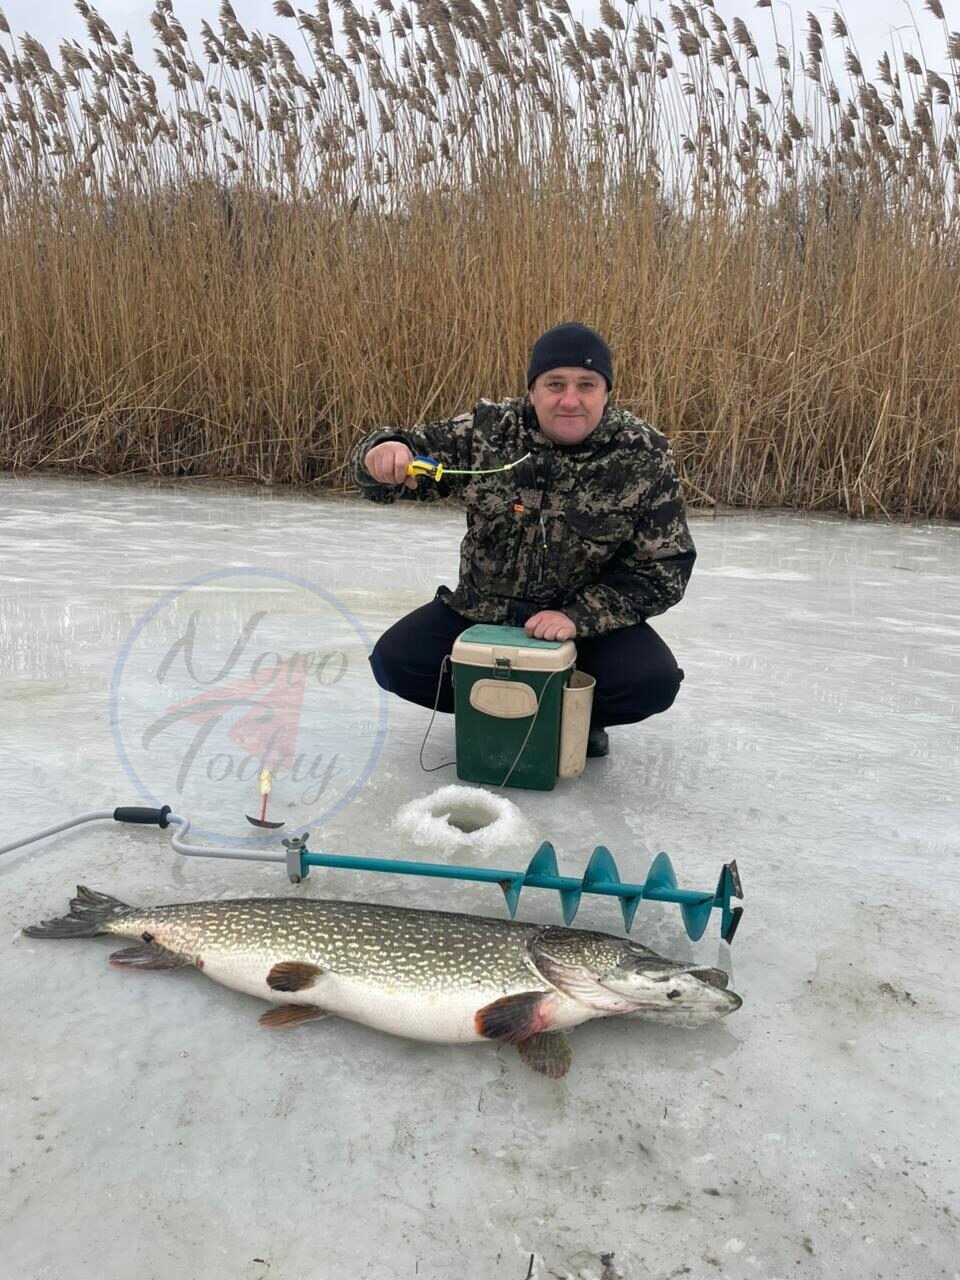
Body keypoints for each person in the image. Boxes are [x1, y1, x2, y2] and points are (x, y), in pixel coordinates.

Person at [350, 322, 695, 758]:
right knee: (393, 661)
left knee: (650, 682)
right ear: (533, 390)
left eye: (586, 385)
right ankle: (494, 713)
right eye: (555, 384)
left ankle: (575, 718)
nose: (570, 400)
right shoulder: (487, 431)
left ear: (606, 392)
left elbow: (665, 568)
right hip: (482, 614)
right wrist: (381, 453)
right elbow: (393, 465)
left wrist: (578, 616)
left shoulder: (643, 451)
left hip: (584, 632)